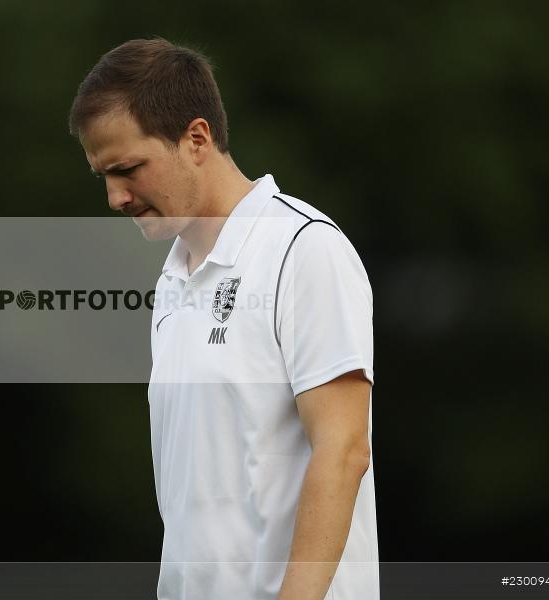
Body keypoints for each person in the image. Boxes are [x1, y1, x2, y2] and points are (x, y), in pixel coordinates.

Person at [68, 38, 379, 600]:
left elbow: (345, 449)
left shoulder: (304, 249)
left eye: (128, 168)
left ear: (196, 139)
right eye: (103, 177)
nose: (115, 197)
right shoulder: (170, 282)